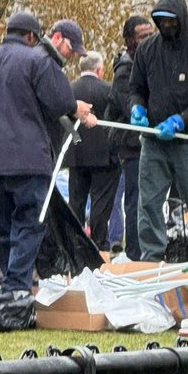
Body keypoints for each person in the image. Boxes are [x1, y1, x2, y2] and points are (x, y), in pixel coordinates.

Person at [0, 10, 96, 300]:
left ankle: (10, 284)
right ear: (33, 36)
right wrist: (77, 109)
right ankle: (17, 289)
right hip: (29, 160)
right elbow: (60, 100)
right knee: (28, 223)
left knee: (3, 224)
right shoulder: (39, 61)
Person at [129, 0, 188, 260]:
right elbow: (136, 88)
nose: (167, 26)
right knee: (148, 204)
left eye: (172, 21)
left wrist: (182, 119)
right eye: (162, 21)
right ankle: (152, 260)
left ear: (182, 19)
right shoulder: (147, 50)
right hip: (154, 141)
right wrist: (137, 107)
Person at [105, 14, 155, 259]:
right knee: (136, 202)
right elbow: (130, 105)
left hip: (149, 144)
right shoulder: (125, 72)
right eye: (142, 36)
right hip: (133, 147)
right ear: (129, 41)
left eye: (150, 34)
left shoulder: (150, 63)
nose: (149, 39)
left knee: (149, 202)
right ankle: (135, 255)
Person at [65, 52, 119, 249]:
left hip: (76, 155)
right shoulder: (109, 90)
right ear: (99, 70)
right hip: (104, 156)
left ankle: (76, 245)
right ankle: (98, 244)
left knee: (76, 202)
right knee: (101, 203)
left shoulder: (69, 91)